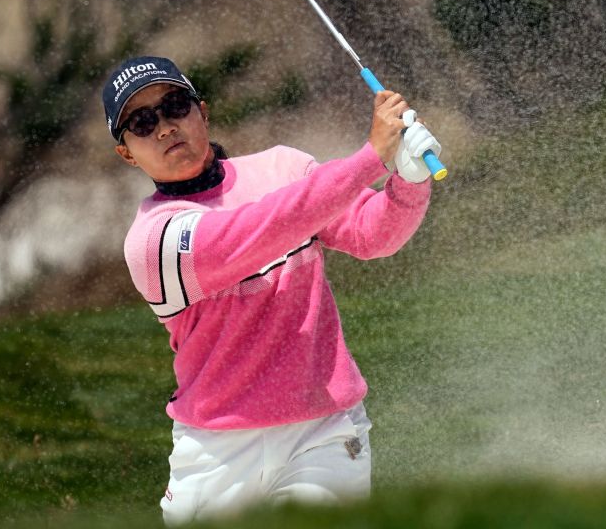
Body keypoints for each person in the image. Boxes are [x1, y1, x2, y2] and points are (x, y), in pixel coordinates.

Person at [100, 55, 439, 525]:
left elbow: (371, 234)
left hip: (322, 430)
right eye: (141, 122)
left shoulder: (283, 168)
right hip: (219, 452)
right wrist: (369, 159)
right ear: (128, 153)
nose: (164, 127)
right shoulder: (152, 241)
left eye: (175, 105)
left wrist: (409, 179)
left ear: (203, 111)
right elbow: (259, 229)